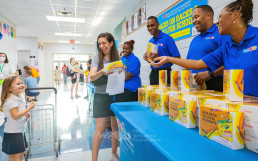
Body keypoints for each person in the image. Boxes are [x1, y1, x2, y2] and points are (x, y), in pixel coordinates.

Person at [151, 0, 258, 97]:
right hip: (238, 107)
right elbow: (198, 64)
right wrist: (168, 58)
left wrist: (210, 74)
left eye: (220, 16)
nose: (217, 22)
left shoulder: (254, 37)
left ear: (235, 16)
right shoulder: (226, 48)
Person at [186, 5, 231, 92]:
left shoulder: (221, 33)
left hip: (215, 84)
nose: (194, 21)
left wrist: (210, 74)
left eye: (196, 17)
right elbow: (188, 64)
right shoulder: (194, 40)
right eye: (193, 18)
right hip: (194, 86)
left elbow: (230, 61)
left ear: (209, 16)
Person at [90, 32, 120, 161]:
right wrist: (102, 71)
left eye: (104, 43)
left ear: (111, 43)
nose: (102, 46)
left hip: (114, 95)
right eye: (99, 43)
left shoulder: (117, 59)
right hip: (101, 97)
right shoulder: (97, 58)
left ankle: (113, 154)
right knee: (100, 129)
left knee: (115, 126)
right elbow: (91, 77)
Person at [0, 76, 35, 161]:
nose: (21, 85)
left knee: (12, 156)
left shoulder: (17, 98)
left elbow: (18, 116)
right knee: (18, 156)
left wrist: (26, 116)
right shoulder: (12, 100)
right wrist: (29, 109)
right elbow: (15, 116)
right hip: (14, 133)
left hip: (13, 132)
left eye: (22, 83)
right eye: (18, 84)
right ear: (9, 88)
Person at [143, 16, 181, 85]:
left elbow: (178, 58)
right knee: (153, 95)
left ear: (158, 24)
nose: (150, 28)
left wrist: (159, 57)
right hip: (153, 73)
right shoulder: (150, 41)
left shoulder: (167, 38)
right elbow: (151, 60)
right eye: (148, 26)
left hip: (165, 72)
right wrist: (147, 58)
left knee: (165, 96)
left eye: (152, 25)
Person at [0, 52, 16, 161]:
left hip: (5, 84)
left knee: (5, 101)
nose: (1, 57)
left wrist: (5, 77)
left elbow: (13, 74)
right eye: (0, 55)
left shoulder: (9, 65)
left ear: (6, 57)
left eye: (3, 55)